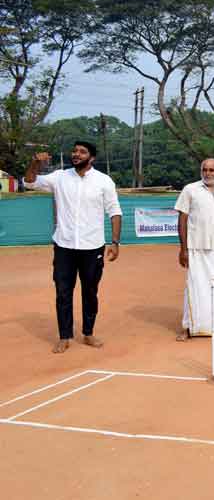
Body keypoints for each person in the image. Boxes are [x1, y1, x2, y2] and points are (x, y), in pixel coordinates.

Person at [23, 141, 122, 353]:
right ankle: (64, 336)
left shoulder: (104, 181)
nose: (76, 154)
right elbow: (29, 182)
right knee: (63, 293)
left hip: (92, 247)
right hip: (64, 246)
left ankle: (88, 333)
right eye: (75, 151)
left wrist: (115, 242)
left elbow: (114, 212)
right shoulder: (59, 177)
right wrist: (35, 163)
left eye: (82, 152)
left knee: (90, 292)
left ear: (91, 158)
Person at [174, 158, 214, 340]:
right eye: (205, 169)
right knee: (193, 288)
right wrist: (183, 249)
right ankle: (188, 327)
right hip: (195, 248)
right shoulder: (190, 190)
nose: (208, 173)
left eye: (211, 170)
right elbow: (182, 219)